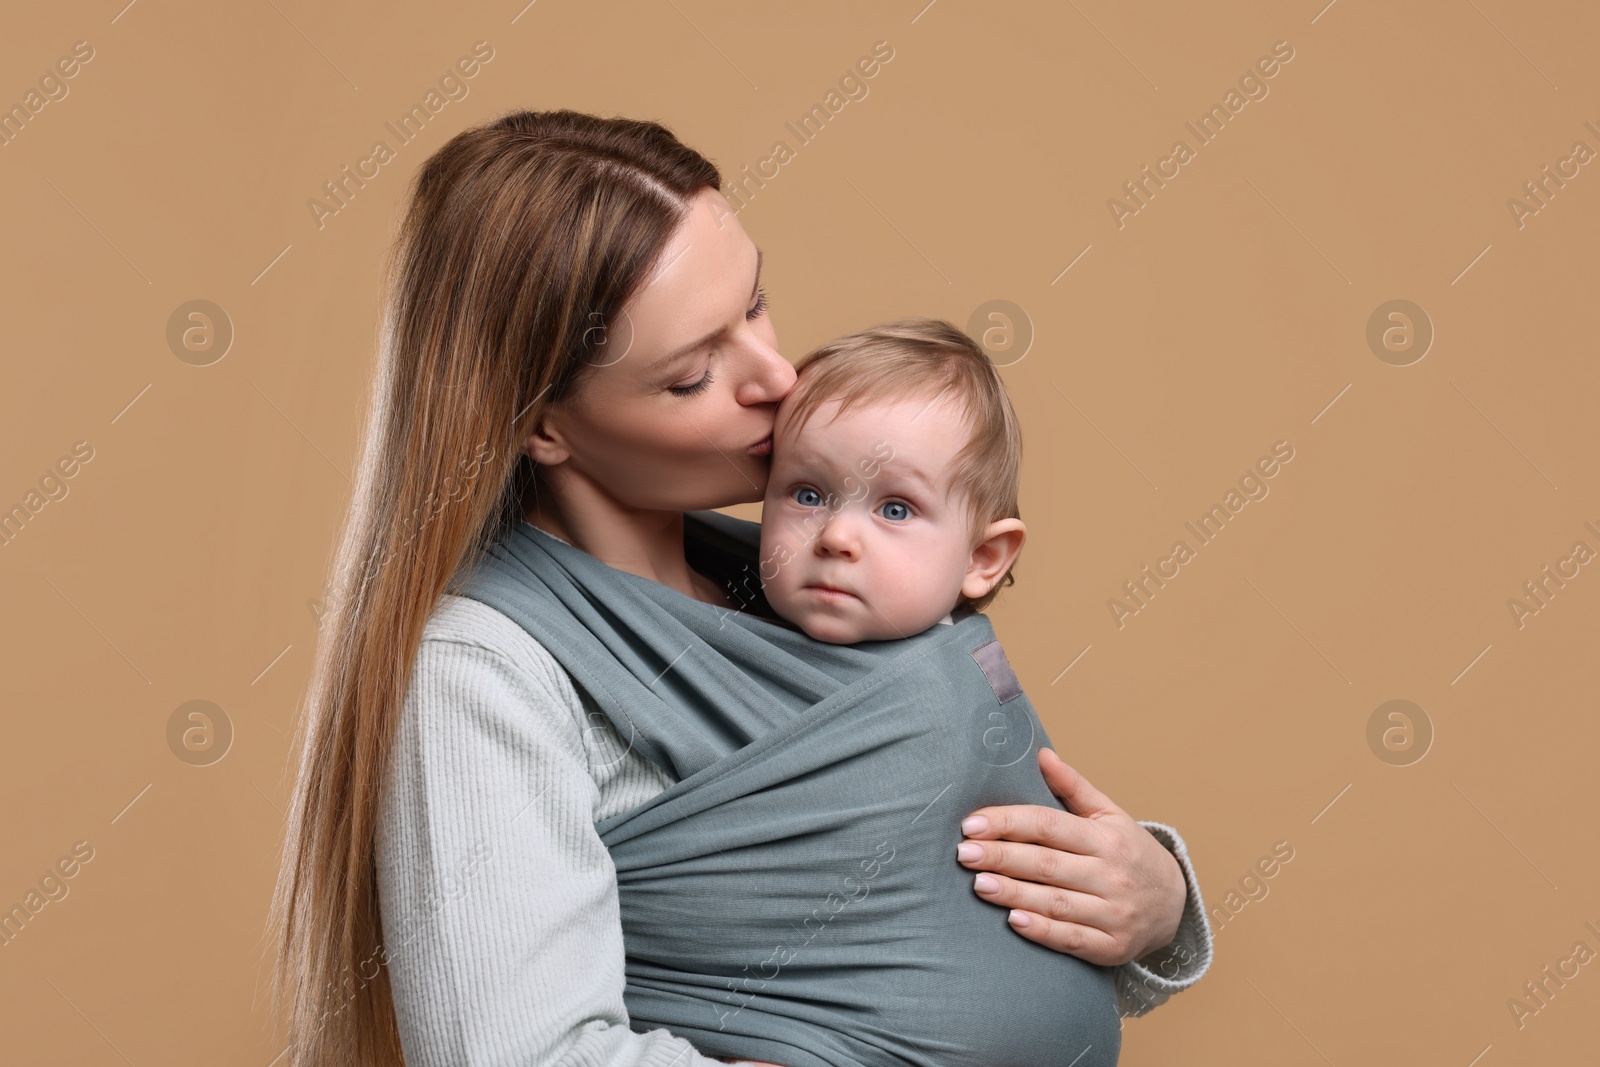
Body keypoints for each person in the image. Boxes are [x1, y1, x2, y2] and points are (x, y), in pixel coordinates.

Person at [268, 108, 1210, 1067]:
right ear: (543, 425)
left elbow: (936, 879)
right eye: (692, 375)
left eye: (755, 305)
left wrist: (1156, 902)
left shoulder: (785, 573)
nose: (776, 375)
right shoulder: (488, 674)